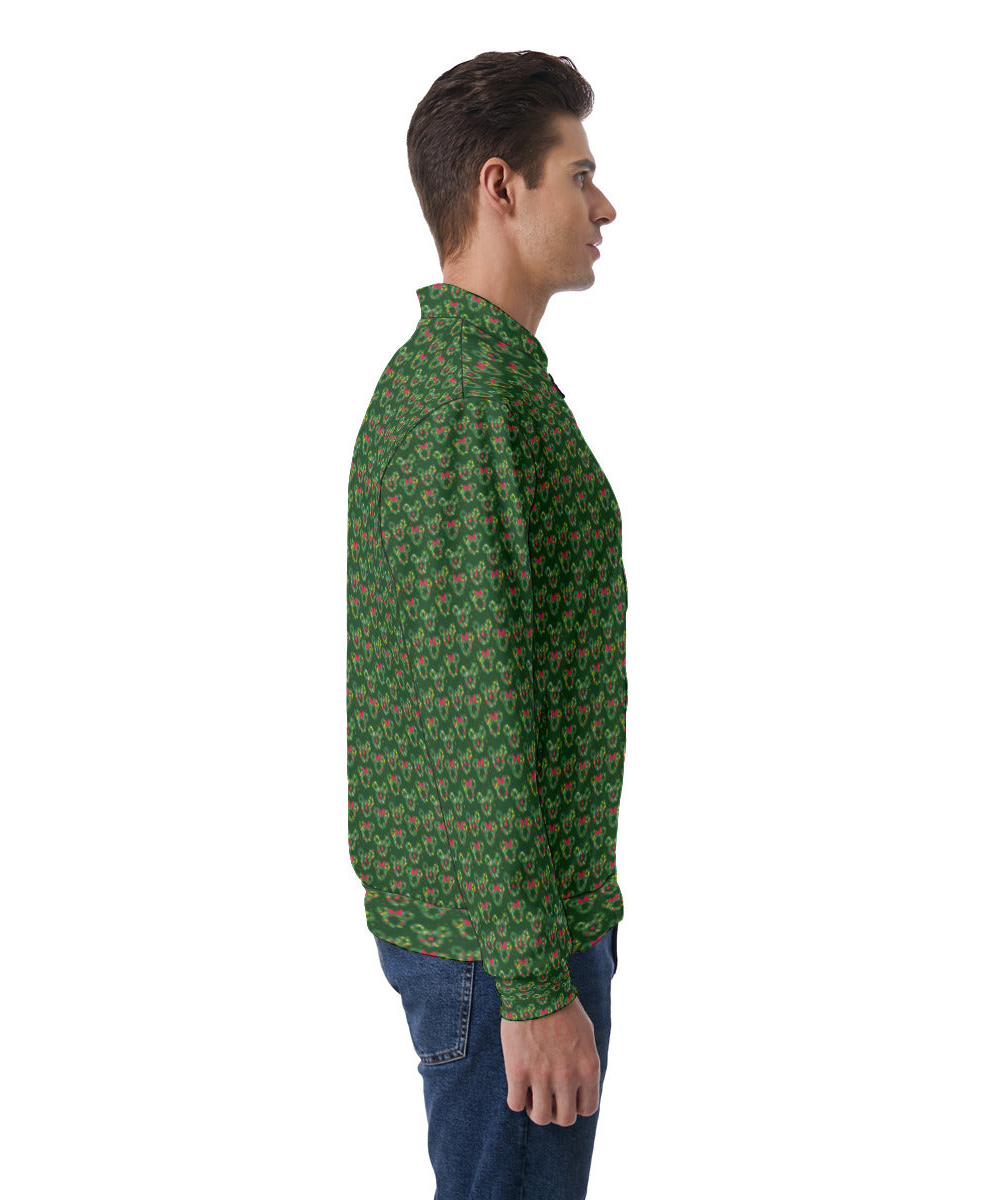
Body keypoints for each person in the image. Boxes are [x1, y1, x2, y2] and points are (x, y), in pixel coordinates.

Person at [345, 49, 627, 1200]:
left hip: (502, 936)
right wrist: (536, 983)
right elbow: (474, 707)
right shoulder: (469, 400)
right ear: (501, 186)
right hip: (502, 952)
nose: (605, 207)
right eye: (582, 175)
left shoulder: (478, 382)